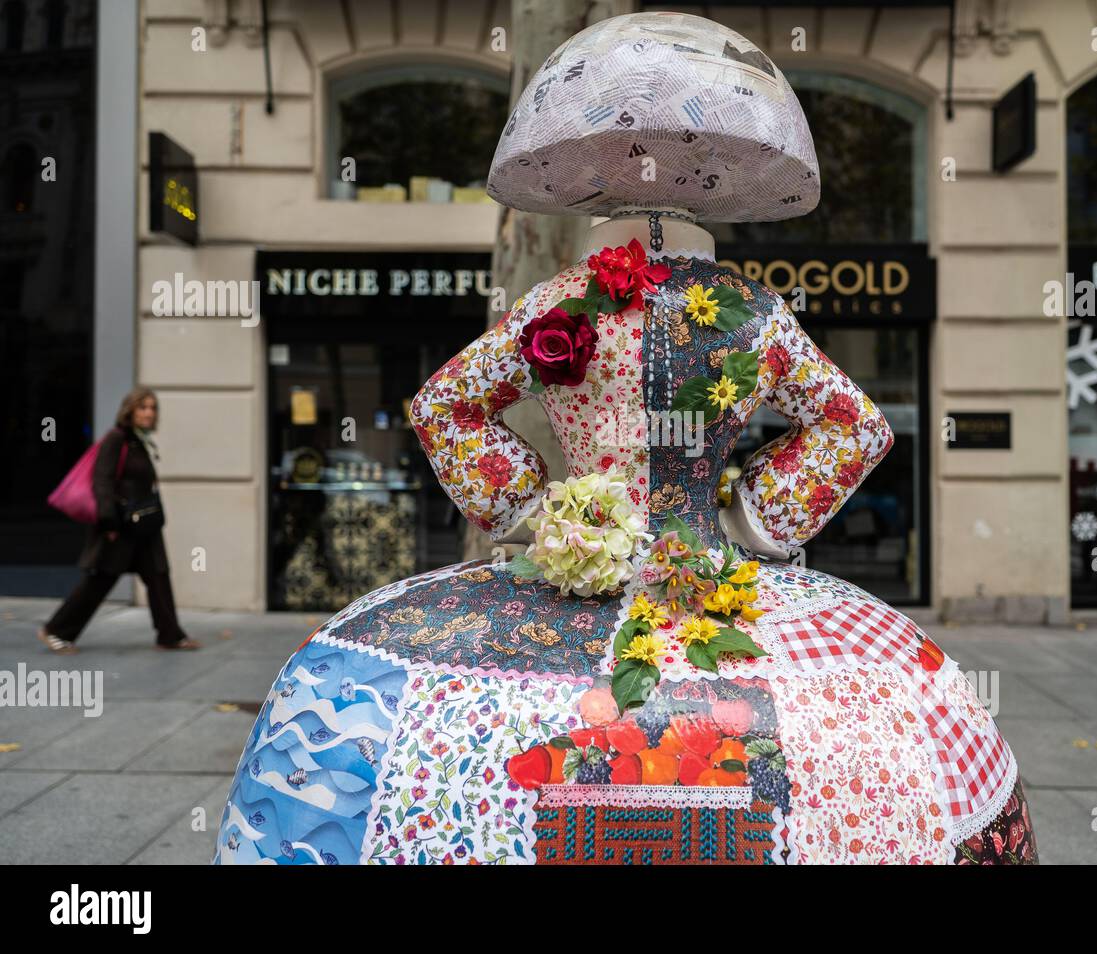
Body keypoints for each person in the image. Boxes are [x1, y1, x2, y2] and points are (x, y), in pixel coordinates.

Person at [216, 12, 1035, 865]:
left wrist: (540, 515)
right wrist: (752, 522)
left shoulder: (563, 304)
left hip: (574, 569)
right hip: (706, 566)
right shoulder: (750, 310)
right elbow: (854, 427)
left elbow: (443, 406)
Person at [38, 387, 200, 653]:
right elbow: (102, 480)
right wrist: (108, 521)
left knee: (159, 576)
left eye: (152, 407)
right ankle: (56, 630)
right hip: (119, 526)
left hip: (144, 526)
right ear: (130, 410)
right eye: (143, 407)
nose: (149, 412)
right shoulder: (117, 439)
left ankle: (170, 636)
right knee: (100, 579)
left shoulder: (140, 441)